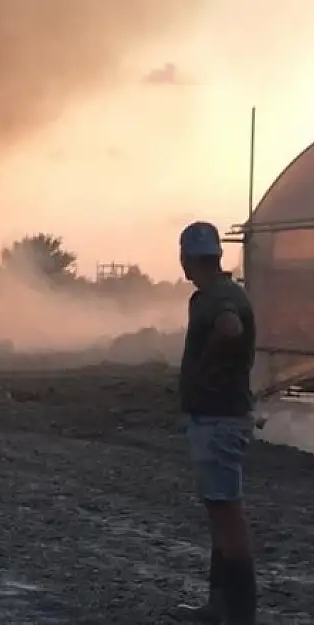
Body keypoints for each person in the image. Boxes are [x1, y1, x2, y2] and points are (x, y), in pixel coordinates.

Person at [171, 222, 257, 625]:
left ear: (187, 258)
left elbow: (230, 328)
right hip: (215, 417)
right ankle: (220, 606)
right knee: (219, 514)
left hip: (220, 418)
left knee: (227, 515)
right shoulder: (211, 294)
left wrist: (205, 370)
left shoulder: (220, 297)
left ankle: (239, 613)